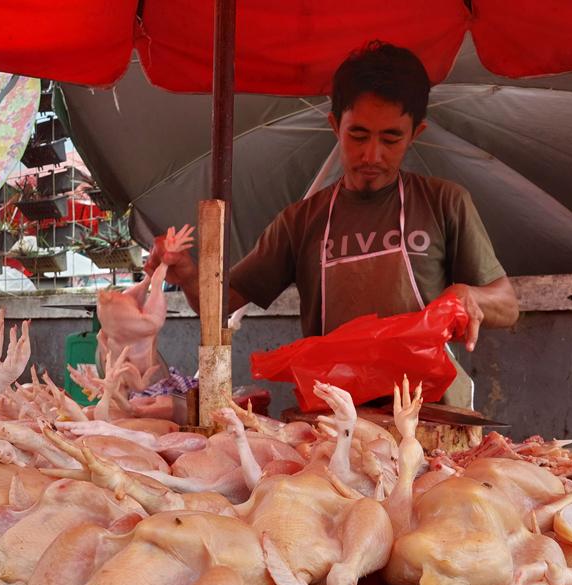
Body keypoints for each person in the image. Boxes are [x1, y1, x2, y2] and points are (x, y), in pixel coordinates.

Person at [146, 41, 519, 407]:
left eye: (391, 138)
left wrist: (470, 297)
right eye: (358, 135)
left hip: (430, 413)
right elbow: (220, 303)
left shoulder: (444, 203)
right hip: (334, 419)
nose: (372, 154)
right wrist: (187, 272)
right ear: (334, 125)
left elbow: (507, 304)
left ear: (415, 134)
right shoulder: (301, 220)